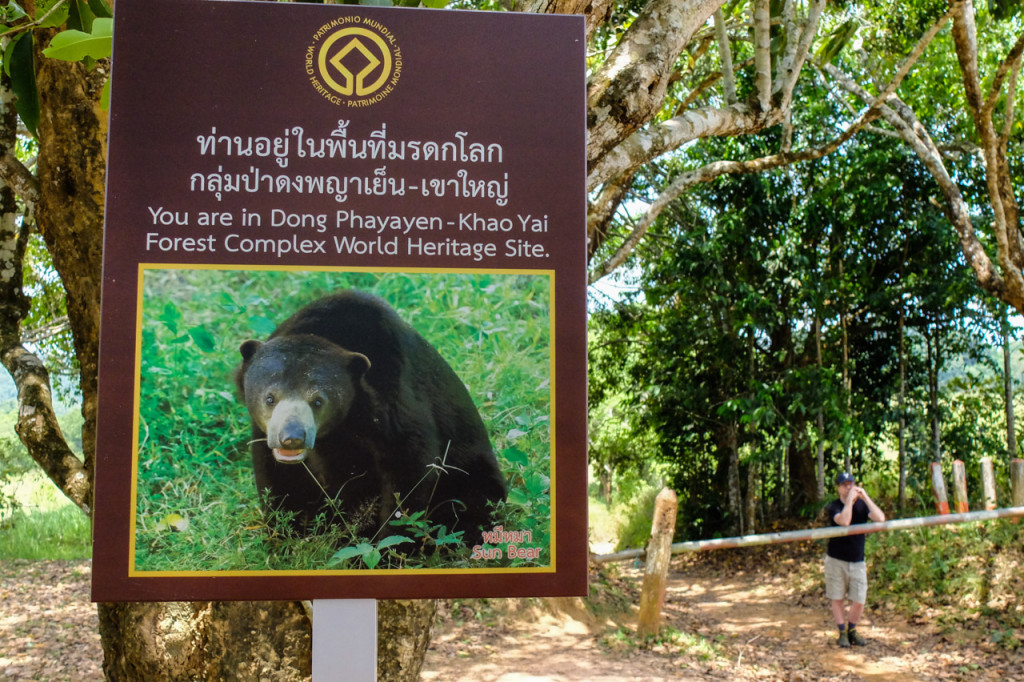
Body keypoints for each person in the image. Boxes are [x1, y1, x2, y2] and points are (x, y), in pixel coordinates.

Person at [824, 471, 885, 648]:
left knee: (860, 598)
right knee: (837, 597)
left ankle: (852, 629)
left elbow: (880, 519)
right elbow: (844, 521)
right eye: (844, 485)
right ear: (838, 488)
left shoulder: (862, 505)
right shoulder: (834, 506)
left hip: (857, 560)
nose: (849, 487)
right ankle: (842, 631)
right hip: (836, 559)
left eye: (851, 484)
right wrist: (849, 501)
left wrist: (865, 497)